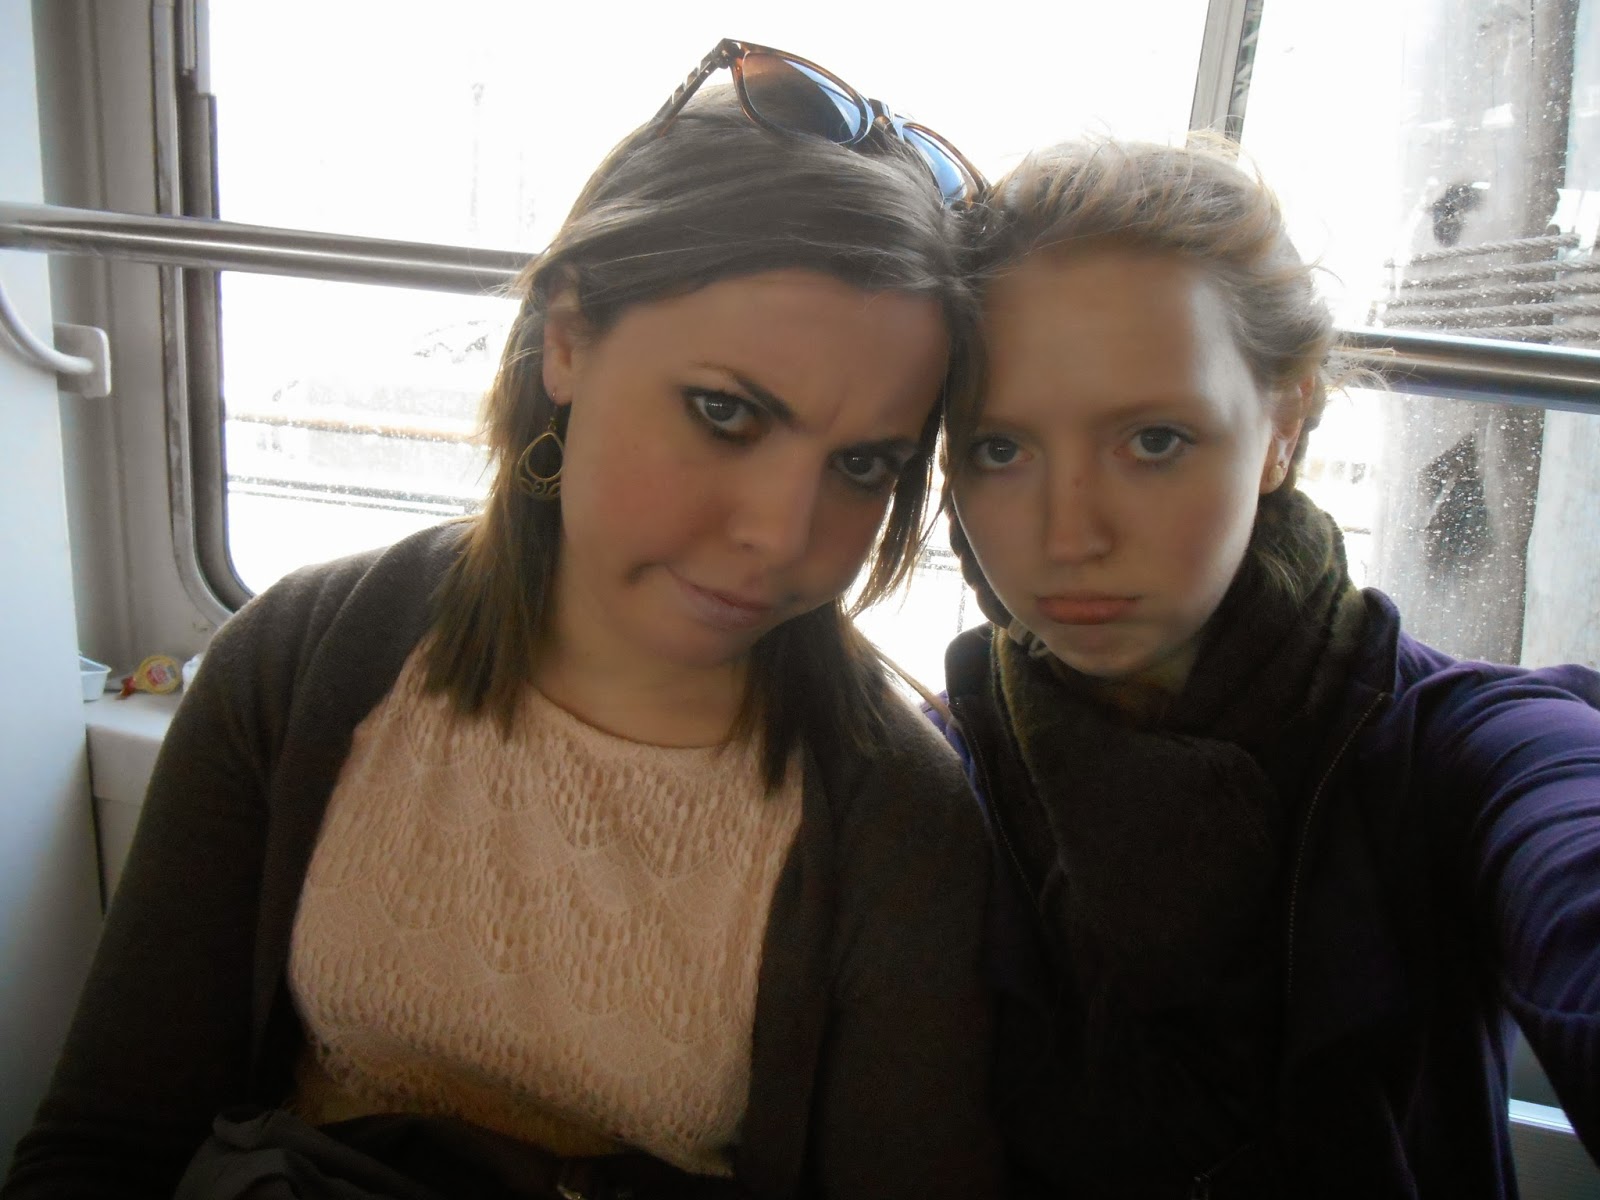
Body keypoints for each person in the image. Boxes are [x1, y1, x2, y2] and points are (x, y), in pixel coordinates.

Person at [4, 42, 1001, 1200]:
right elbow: (106, 1142)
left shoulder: (895, 821)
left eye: (864, 463)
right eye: (725, 413)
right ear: (567, 337)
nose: (781, 535)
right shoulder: (306, 658)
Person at [934, 138, 1600, 1197]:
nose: (1068, 536)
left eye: (1154, 440)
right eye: (999, 449)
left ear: (1283, 425)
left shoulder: (1455, 750)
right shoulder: (932, 780)